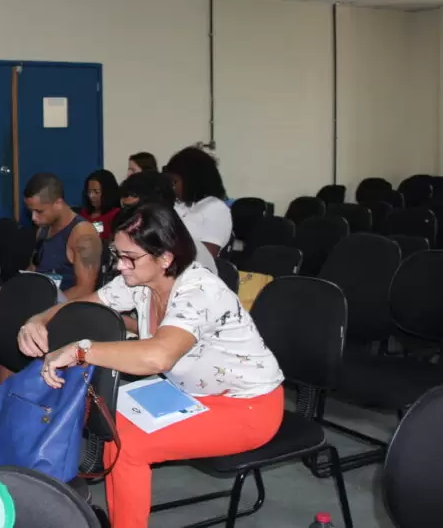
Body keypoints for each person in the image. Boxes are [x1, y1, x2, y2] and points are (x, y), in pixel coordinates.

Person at [17, 202, 284, 528]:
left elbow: (158, 356)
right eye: (117, 254)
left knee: (127, 444)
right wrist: (39, 318)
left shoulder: (200, 291)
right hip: (189, 394)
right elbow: (85, 305)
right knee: (110, 421)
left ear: (166, 258)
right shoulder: (140, 279)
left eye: (129, 257)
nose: (120, 266)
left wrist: (80, 351)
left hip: (248, 406)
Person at [116, 170, 217, 276]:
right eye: (124, 208)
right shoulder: (130, 245)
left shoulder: (189, 252)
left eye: (131, 210)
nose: (125, 217)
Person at [25, 173, 100, 300]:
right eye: (31, 211)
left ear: (58, 203)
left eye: (39, 211)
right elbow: (33, 269)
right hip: (42, 300)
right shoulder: (43, 229)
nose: (33, 217)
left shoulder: (83, 234)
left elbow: (85, 289)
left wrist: (47, 304)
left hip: (66, 307)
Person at [163, 146, 232, 257]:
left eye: (175, 182)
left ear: (192, 181)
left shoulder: (215, 208)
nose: (172, 188)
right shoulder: (179, 205)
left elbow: (207, 255)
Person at [80, 169, 122, 241]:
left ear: (108, 192)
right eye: (89, 191)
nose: (91, 196)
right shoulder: (83, 214)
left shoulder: (116, 215)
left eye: (96, 192)